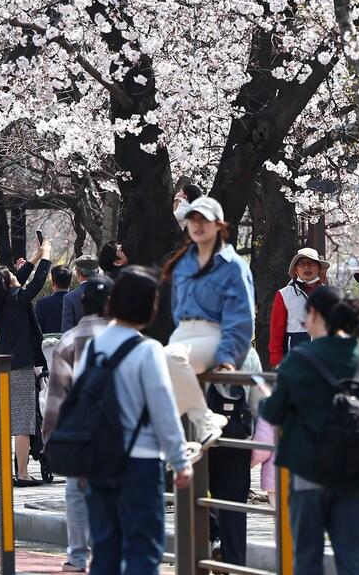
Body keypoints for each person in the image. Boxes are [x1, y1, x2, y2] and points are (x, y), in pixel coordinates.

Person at [77, 266, 192, 575]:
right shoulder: (148, 350)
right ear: (148, 306)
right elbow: (163, 409)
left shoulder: (92, 349)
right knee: (143, 548)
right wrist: (180, 461)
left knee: (105, 550)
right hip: (139, 462)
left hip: (99, 459)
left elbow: (79, 405)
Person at [259, 287, 359, 575]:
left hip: (308, 471)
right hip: (355, 471)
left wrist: (266, 399)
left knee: (307, 559)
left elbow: (273, 412)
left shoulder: (300, 358)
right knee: (352, 559)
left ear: (313, 314)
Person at [159, 196, 252, 564]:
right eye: (192, 219)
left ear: (219, 225)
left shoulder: (232, 265)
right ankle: (185, 430)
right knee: (155, 362)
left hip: (213, 335)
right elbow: (177, 310)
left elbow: (241, 318)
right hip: (184, 331)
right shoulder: (182, 263)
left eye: (205, 220)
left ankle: (202, 420)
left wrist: (228, 358)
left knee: (168, 357)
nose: (197, 225)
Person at [44, 273, 113, 574]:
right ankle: (107, 553)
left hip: (78, 435)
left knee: (76, 493)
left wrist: (51, 440)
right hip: (116, 435)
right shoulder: (128, 340)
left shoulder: (68, 341)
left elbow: (56, 397)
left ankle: (76, 557)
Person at [0, 240, 52, 485]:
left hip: (3, 364)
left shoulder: (1, 302)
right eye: (10, 275)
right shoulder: (15, 300)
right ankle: (22, 474)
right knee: (23, 422)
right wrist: (45, 258)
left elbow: (20, 280)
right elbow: (34, 285)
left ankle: (6, 470)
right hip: (20, 365)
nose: (15, 275)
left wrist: (34, 258)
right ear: (7, 283)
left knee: (5, 420)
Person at [268, 248, 331, 367]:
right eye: (302, 264)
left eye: (311, 263)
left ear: (318, 268)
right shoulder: (284, 294)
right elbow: (276, 331)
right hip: (294, 358)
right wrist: (277, 361)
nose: (307, 267)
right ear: (295, 269)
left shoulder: (328, 293)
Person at [61, 257, 105, 333]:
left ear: (77, 273)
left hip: (79, 343)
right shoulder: (107, 292)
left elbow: (67, 331)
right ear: (97, 272)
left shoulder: (69, 298)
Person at [36, 265, 72, 335]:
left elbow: (37, 330)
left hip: (49, 344)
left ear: (53, 282)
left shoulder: (42, 303)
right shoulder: (76, 300)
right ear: (70, 282)